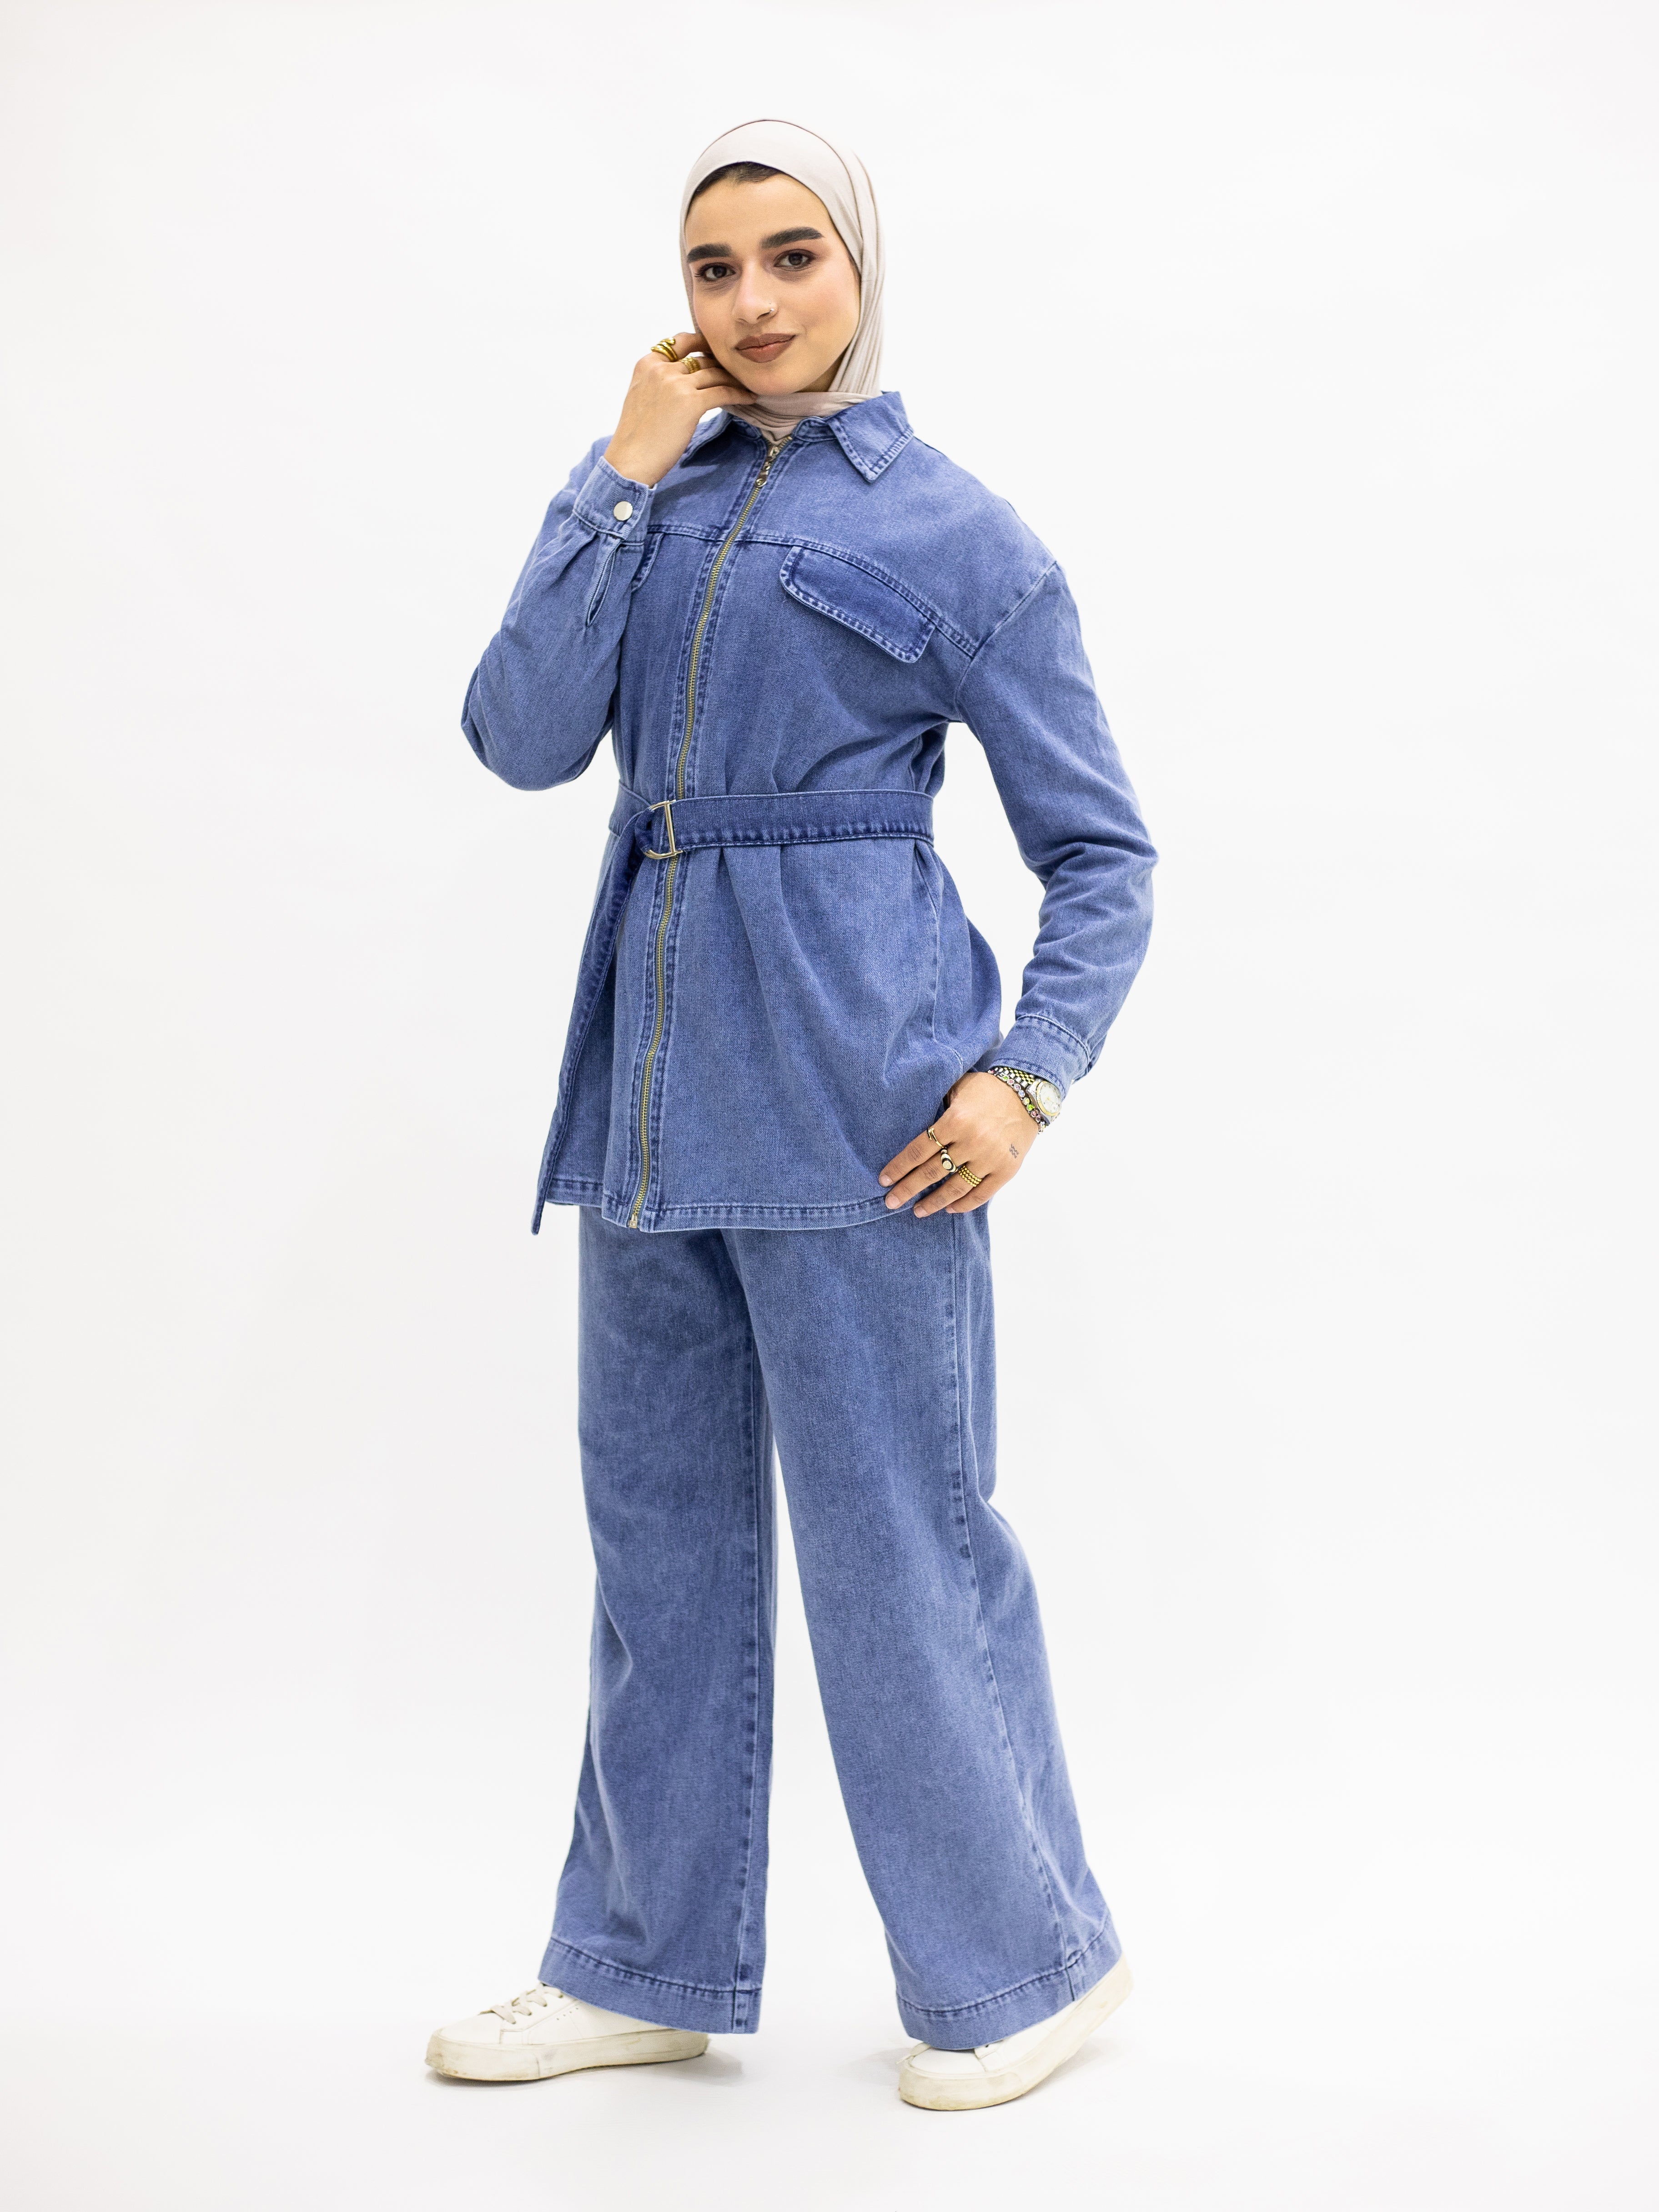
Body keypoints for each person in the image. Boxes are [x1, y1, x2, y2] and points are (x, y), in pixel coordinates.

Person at [426, 118, 1157, 2113]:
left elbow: (1103, 852)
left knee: (900, 1546)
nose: (751, 303)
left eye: (793, 257)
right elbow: (518, 738)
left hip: (864, 1113)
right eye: (714, 267)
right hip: (650, 1099)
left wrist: (1027, 1075)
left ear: (862, 268)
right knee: (655, 1548)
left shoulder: (961, 535)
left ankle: (1029, 1965)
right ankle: (640, 1963)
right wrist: (616, 470)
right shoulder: (644, 495)